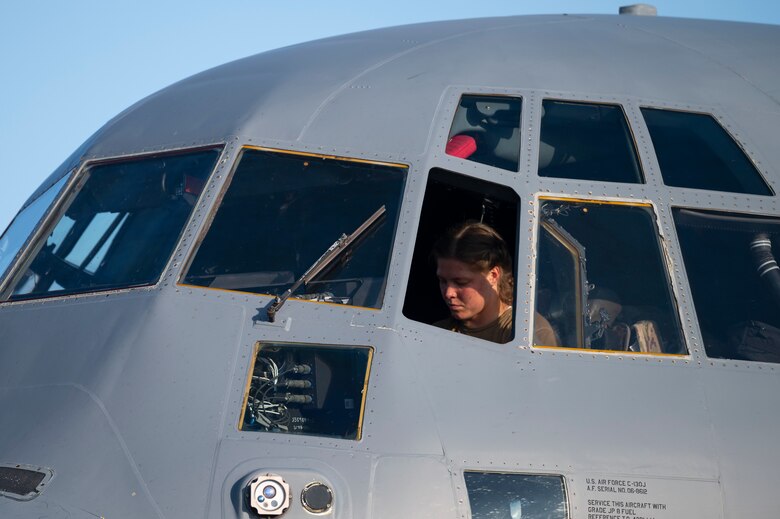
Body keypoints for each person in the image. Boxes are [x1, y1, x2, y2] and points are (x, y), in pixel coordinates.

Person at [432, 221, 558, 345]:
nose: (448, 293)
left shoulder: (528, 335)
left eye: (461, 282)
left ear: (493, 275)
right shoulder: (437, 332)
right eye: (442, 281)